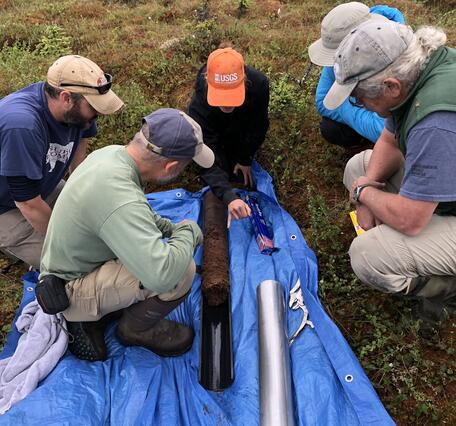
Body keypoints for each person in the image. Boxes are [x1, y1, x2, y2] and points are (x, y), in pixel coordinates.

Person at [37, 108, 215, 361]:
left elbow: (138, 213)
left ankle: (105, 308)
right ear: (170, 166)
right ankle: (133, 329)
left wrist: (168, 228)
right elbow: (162, 275)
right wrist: (188, 231)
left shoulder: (112, 156)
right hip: (71, 288)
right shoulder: (120, 199)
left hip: (78, 261)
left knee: (167, 257)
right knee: (180, 273)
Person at [323, 20, 456, 326]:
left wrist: (364, 194)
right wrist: (368, 186)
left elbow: (411, 219)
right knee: (359, 167)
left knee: (367, 256)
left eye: (359, 98)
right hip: (443, 188)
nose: (361, 105)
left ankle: (447, 293)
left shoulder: (435, 122)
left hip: (427, 210)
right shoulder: (420, 71)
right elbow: (389, 138)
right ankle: (411, 247)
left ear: (391, 86)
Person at [0, 55, 124, 268]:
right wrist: (68, 241)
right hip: (7, 205)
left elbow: (81, 138)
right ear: (66, 97)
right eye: (94, 108)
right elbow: (27, 202)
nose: (98, 114)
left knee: (102, 221)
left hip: (41, 182)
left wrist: (80, 188)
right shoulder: (22, 125)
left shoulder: (77, 112)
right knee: (76, 262)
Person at [308, 2, 404, 156]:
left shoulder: (395, 58)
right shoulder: (340, 57)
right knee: (330, 128)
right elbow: (322, 101)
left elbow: (384, 129)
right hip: (378, 118)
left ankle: (381, 152)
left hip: (397, 127)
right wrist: (365, 112)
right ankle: (366, 145)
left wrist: (342, 100)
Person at [188, 46, 269, 226]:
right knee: (219, 175)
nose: (226, 104)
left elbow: (259, 125)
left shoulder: (259, 85)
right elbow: (204, 148)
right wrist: (228, 195)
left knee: (240, 176)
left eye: (231, 96)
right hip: (216, 132)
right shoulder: (200, 102)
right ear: (208, 83)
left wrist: (245, 157)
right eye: (221, 97)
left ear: (244, 80)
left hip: (241, 128)